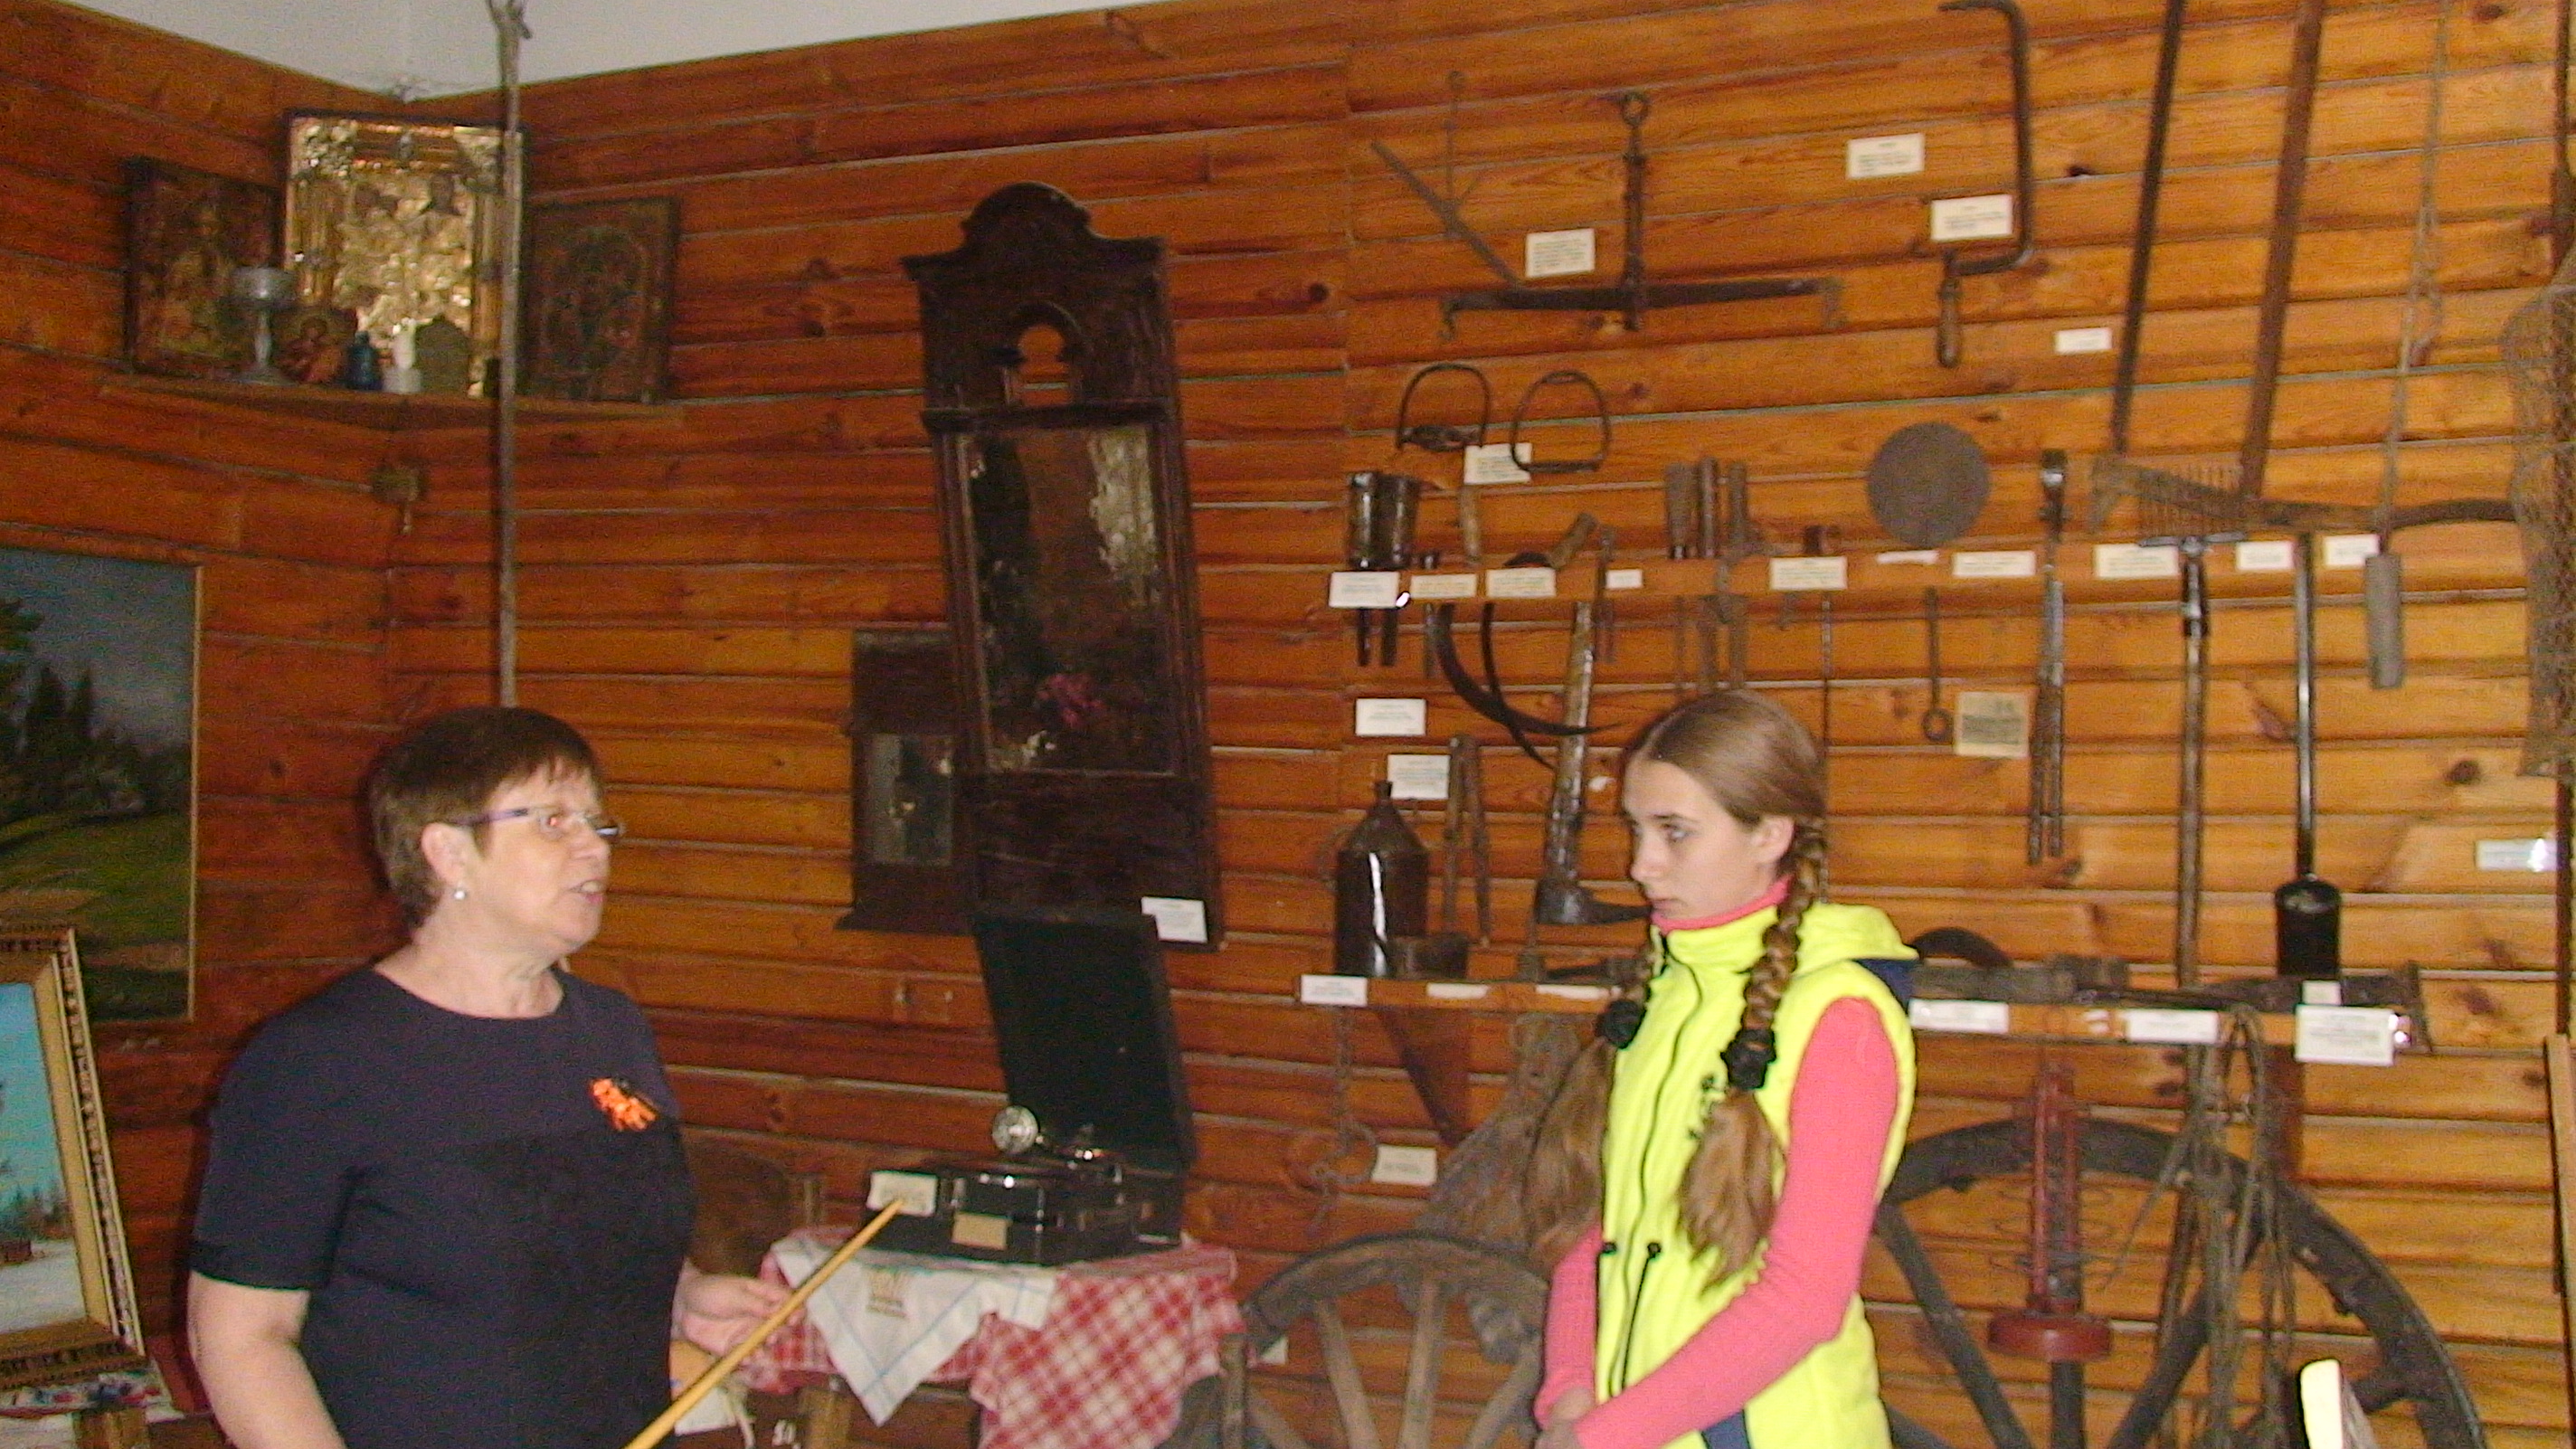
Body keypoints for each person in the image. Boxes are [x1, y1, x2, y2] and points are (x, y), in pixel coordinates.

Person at [188, 706, 787, 1449]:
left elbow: (584, 1234)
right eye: (553, 821)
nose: (595, 849)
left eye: (598, 823)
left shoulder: (611, 1028)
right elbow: (243, 1339)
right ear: (448, 852)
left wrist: (684, 1298)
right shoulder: (318, 1060)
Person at [1527, 691, 1917, 1449]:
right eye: (1637, 829)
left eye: (1675, 832)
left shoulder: (1839, 1016)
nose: (1642, 865)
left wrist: (1605, 1436)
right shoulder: (1665, 993)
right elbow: (1599, 1227)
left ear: (1770, 833)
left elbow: (1803, 1298)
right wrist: (1570, 1395)